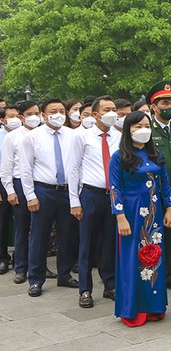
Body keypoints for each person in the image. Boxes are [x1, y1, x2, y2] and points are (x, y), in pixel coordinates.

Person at [110, 111, 171, 326]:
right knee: (133, 259)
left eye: (146, 125)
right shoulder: (119, 157)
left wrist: (170, 209)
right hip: (131, 214)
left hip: (154, 214)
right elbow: (114, 188)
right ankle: (133, 309)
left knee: (154, 258)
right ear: (128, 130)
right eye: (137, 126)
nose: (143, 130)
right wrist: (120, 216)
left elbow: (165, 183)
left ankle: (154, 306)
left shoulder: (155, 155)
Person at [20, 99, 79, 297]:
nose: (59, 114)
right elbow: (25, 168)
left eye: (62, 111)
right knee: (39, 236)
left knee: (67, 234)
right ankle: (35, 279)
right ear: (44, 115)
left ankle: (64, 274)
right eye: (53, 111)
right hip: (43, 191)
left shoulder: (72, 135)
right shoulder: (32, 137)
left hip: (67, 191)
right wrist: (30, 195)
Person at [67, 96, 120, 308]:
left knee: (110, 243)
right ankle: (85, 289)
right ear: (96, 114)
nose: (112, 113)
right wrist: (74, 200)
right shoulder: (83, 136)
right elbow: (73, 167)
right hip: (90, 194)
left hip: (114, 195)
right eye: (107, 109)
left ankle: (110, 285)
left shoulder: (118, 136)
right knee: (87, 244)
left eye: (114, 109)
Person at [146, 81, 171, 290]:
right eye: (164, 103)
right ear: (154, 106)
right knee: (152, 236)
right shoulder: (147, 132)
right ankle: (151, 274)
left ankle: (169, 275)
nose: (169, 106)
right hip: (153, 194)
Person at [0, 101, 40, 284]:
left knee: (40, 229)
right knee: (22, 228)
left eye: (37, 113)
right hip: (19, 185)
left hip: (41, 184)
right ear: (22, 117)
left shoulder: (43, 134)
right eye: (30, 113)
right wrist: (10, 190)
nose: (35, 117)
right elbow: (6, 166)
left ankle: (38, 266)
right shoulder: (12, 137)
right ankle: (21, 267)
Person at [0, 105, 20, 275]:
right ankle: (2, 258)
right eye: (10, 116)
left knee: (22, 223)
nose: (15, 119)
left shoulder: (24, 135)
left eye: (17, 115)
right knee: (3, 221)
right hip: (2, 183)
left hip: (20, 182)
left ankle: (21, 258)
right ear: (3, 120)